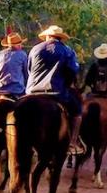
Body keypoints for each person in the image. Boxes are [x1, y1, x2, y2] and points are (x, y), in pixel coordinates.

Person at [27, 25, 85, 155]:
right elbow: (72, 71)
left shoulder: (35, 49)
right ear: (60, 38)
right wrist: (67, 83)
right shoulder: (67, 51)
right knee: (77, 112)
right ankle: (72, 142)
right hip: (56, 92)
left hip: (31, 92)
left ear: (47, 36)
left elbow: (29, 70)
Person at [0, 31, 28, 98]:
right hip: (17, 91)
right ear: (18, 45)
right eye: (20, 44)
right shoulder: (22, 55)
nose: (21, 46)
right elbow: (27, 74)